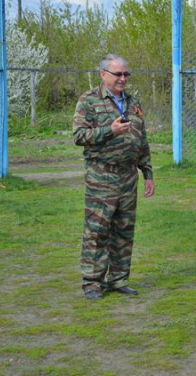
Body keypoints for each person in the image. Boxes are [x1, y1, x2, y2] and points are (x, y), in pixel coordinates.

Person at [73, 54, 155, 300]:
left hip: (128, 177)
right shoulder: (89, 101)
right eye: (117, 74)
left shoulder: (133, 102)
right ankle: (92, 283)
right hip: (102, 177)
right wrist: (109, 131)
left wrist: (147, 172)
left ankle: (118, 279)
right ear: (103, 74)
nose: (122, 79)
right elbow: (78, 136)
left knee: (124, 229)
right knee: (97, 231)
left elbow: (142, 141)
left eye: (125, 74)